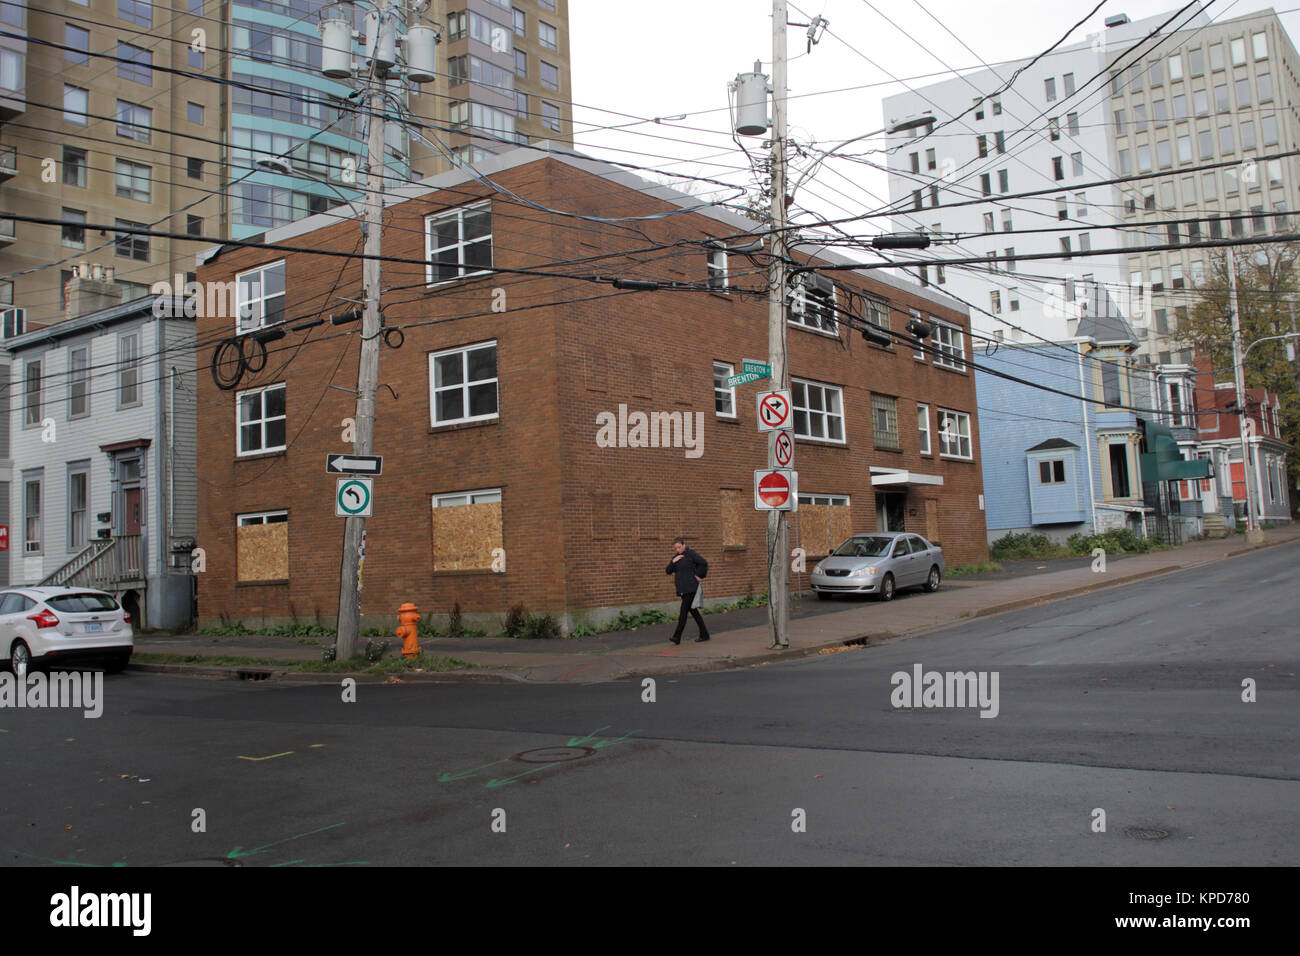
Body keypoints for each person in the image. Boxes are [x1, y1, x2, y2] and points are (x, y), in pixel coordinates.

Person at [665, 536, 709, 645]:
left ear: (684, 545)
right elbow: (668, 571)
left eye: (679, 547)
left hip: (691, 588)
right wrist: (673, 562)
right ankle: (705, 634)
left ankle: (677, 636)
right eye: (676, 548)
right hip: (683, 590)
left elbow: (703, 563)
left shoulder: (691, 554)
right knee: (694, 612)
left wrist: (699, 575)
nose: (678, 550)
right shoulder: (676, 557)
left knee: (683, 613)